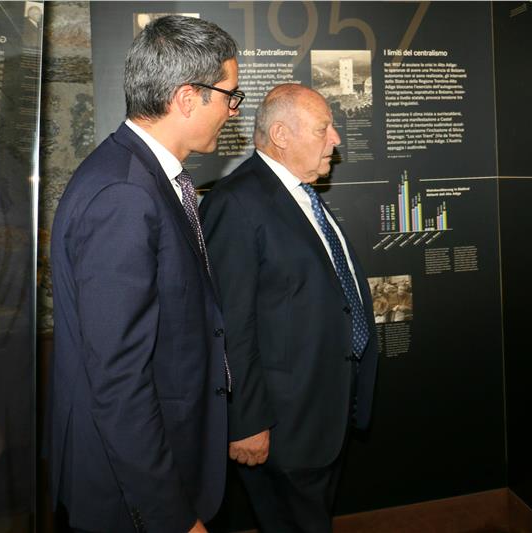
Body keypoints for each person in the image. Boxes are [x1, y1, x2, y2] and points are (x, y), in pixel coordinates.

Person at [48, 15, 242, 532]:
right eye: (229, 95)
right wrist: (171, 516)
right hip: (130, 491)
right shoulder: (125, 195)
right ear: (187, 98)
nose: (233, 110)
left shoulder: (143, 176)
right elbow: (118, 379)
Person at [200, 83, 379, 532]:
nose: (336, 138)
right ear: (281, 134)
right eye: (323, 128)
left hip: (321, 414)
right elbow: (229, 324)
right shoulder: (237, 202)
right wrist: (244, 422)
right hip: (282, 426)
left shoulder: (301, 195)